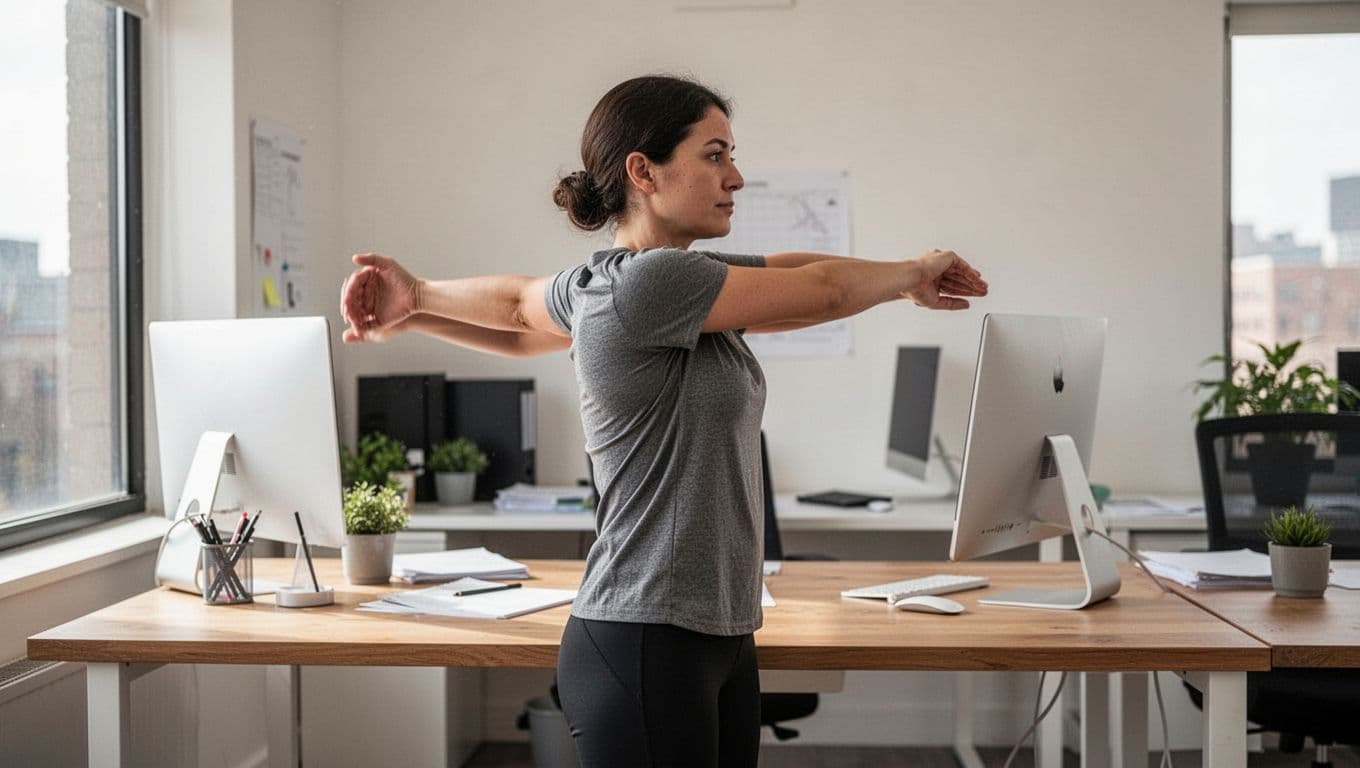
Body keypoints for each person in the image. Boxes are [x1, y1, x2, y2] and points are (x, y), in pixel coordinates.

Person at [339, 74, 987, 768]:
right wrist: (914, 271)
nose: (735, 177)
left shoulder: (632, 280)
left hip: (716, 633)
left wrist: (421, 299)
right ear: (643, 171)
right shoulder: (649, 285)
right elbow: (820, 290)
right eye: (714, 155)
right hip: (647, 637)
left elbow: (520, 310)